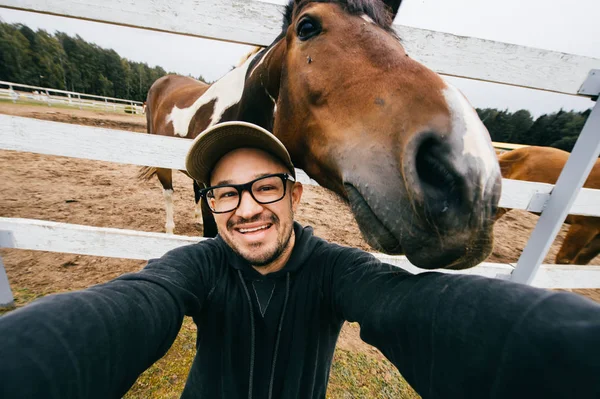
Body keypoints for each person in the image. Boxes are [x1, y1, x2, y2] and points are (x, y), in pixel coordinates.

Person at [0, 121, 599, 399]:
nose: (245, 209)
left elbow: (410, 303)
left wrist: (568, 352)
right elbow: (132, 305)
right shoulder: (198, 266)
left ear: (294, 194)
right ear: (210, 204)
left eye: (264, 187)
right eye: (225, 192)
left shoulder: (338, 270)